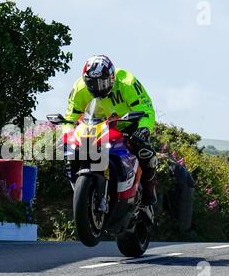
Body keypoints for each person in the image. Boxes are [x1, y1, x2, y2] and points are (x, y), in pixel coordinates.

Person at [64, 55, 158, 208]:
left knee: (145, 152)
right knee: (70, 152)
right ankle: (81, 192)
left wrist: (144, 128)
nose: (98, 87)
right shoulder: (79, 88)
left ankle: (149, 191)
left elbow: (145, 108)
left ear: (112, 78)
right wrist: (67, 135)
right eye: (92, 83)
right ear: (85, 79)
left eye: (103, 82)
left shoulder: (127, 82)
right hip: (96, 126)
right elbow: (70, 117)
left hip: (127, 124)